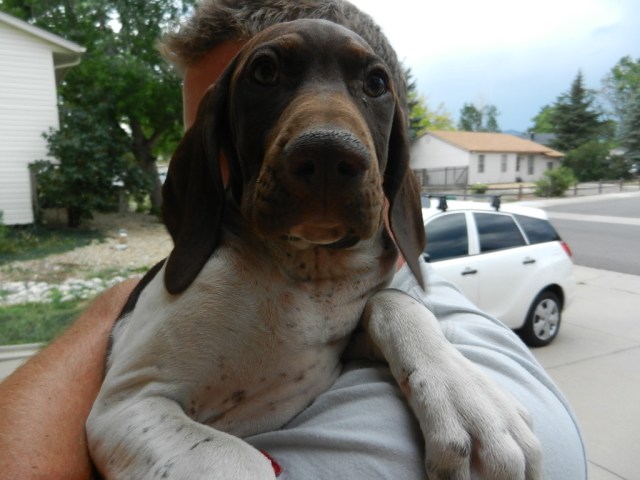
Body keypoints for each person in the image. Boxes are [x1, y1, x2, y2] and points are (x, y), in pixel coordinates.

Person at [0, 1, 587, 479]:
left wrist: (406, 325)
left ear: (390, 153)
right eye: (264, 77)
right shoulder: (220, 276)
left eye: (370, 85)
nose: (323, 134)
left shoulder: (450, 332)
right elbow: (125, 410)